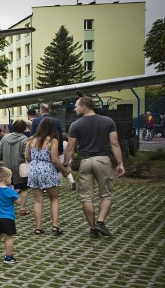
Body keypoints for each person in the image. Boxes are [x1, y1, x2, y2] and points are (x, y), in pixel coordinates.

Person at [63, 96, 125, 238]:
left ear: (84, 107)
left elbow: (70, 147)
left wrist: (65, 165)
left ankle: (92, 228)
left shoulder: (75, 124)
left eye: (77, 106)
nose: (75, 108)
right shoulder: (108, 121)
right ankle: (100, 222)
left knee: (86, 197)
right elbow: (114, 143)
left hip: (84, 162)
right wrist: (120, 163)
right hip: (102, 160)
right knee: (107, 194)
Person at [25, 117, 69, 236]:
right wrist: (64, 170)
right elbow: (55, 159)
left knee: (38, 201)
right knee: (54, 198)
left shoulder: (31, 139)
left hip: (34, 170)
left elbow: (27, 157)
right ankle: (55, 226)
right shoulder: (53, 140)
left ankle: (38, 228)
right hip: (47, 170)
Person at [0, 119, 30, 216]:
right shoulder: (25, 139)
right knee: (24, 188)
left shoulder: (5, 138)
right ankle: (22, 208)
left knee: (6, 187)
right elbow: (25, 155)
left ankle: (4, 207)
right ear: (24, 129)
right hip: (19, 168)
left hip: (6, 167)